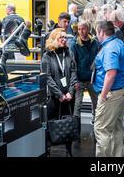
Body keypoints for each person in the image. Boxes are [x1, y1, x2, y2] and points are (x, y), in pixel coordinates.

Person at [93, 21, 124, 157]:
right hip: (120, 92)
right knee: (116, 129)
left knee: (102, 129)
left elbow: (111, 73)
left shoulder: (110, 48)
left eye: (97, 32)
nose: (97, 35)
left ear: (101, 32)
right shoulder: (119, 43)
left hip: (111, 94)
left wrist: (103, 95)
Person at [41, 28, 77, 156]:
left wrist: (71, 92)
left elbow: (73, 72)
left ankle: (68, 151)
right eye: (61, 37)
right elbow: (47, 77)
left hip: (68, 96)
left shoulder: (69, 53)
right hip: (53, 97)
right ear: (54, 39)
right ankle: (48, 150)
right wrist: (59, 94)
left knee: (68, 123)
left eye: (65, 37)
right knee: (51, 124)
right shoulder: (47, 55)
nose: (64, 39)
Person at [70, 21, 99, 129]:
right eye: (79, 29)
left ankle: (97, 123)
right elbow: (73, 64)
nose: (81, 31)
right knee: (78, 104)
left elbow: (99, 57)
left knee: (96, 102)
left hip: (92, 78)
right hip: (79, 79)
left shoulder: (95, 42)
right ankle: (75, 127)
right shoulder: (74, 44)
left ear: (88, 29)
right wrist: (75, 81)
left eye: (83, 29)